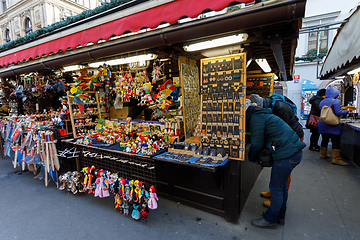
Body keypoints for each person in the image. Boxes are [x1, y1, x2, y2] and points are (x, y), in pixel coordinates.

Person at [246, 100, 306, 228]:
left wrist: (251, 158)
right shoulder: (263, 114)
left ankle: (270, 219)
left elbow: (257, 143)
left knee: (276, 188)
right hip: (293, 152)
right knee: (281, 187)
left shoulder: (255, 119)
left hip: (287, 155)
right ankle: (280, 216)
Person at [318, 88, 349, 165]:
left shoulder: (322, 101)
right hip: (332, 124)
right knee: (335, 140)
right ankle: (336, 159)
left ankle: (323, 154)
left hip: (323, 122)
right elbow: (338, 113)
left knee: (324, 139)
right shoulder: (336, 101)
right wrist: (347, 111)